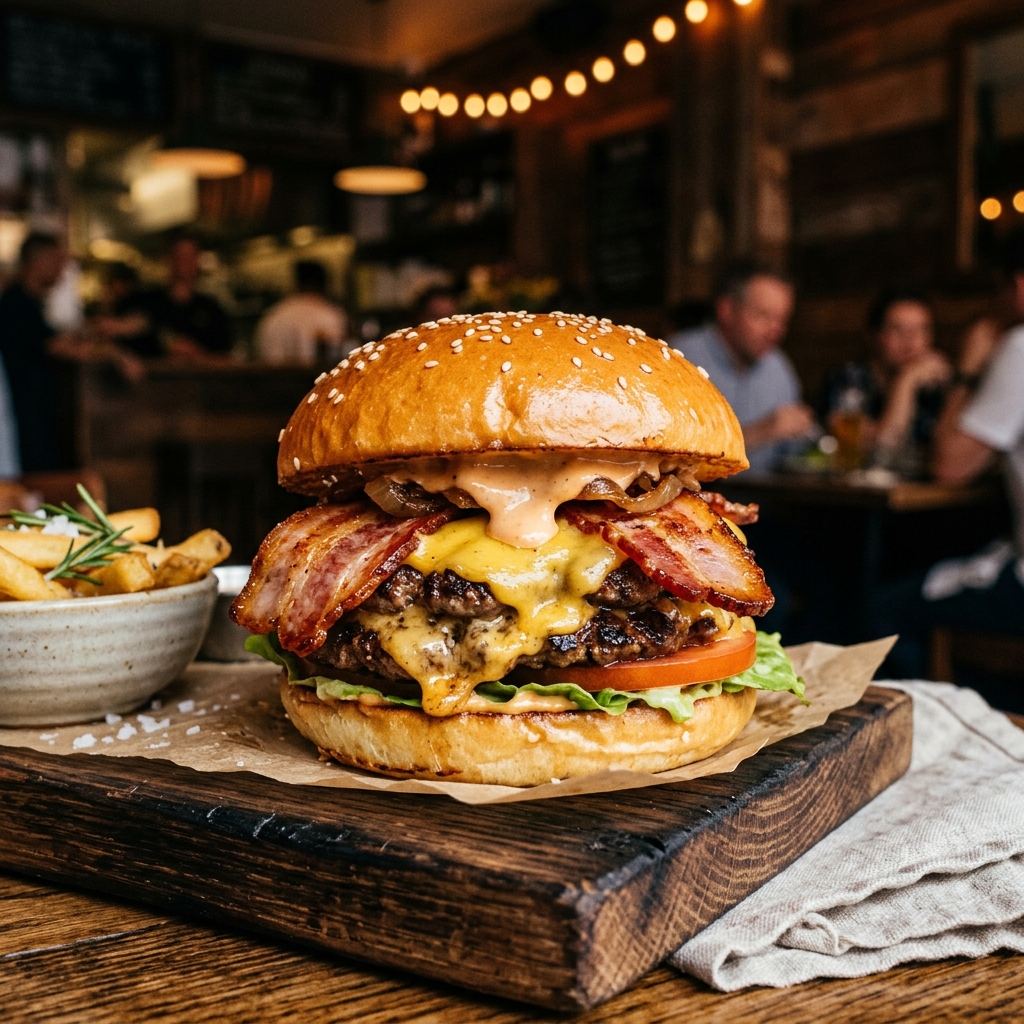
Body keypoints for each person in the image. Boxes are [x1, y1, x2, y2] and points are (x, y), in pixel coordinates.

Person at [871, 233, 1024, 688]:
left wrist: (971, 367)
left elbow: (950, 466)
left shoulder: (1019, 346)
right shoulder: (856, 377)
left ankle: (930, 725)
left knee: (882, 606)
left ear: (1015, 288)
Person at [668, 263, 815, 473]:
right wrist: (761, 431)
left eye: (781, 320)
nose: (775, 330)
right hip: (695, 499)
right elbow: (672, 453)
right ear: (726, 310)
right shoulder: (680, 356)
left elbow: (797, 452)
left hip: (770, 501)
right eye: (763, 316)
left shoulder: (778, 366)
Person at [822, 289, 950, 474]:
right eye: (897, 329)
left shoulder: (939, 386)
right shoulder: (848, 380)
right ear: (874, 336)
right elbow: (883, 449)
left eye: (921, 329)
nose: (910, 341)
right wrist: (907, 381)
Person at [0, 233, 68, 471]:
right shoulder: (16, 302)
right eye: (58, 260)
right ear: (38, 261)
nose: (62, 269)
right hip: (23, 419)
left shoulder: (31, 303)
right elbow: (57, 345)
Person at [139, 236, 233, 360]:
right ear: (169, 259)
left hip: (201, 378)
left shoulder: (211, 308)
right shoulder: (146, 303)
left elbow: (226, 356)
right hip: (157, 378)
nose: (184, 261)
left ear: (197, 260)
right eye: (180, 256)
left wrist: (197, 354)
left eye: (190, 256)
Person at [255, 261, 347, 366]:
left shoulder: (273, 315)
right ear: (325, 284)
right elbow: (339, 361)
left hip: (270, 381)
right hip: (314, 379)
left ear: (294, 283)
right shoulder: (331, 315)